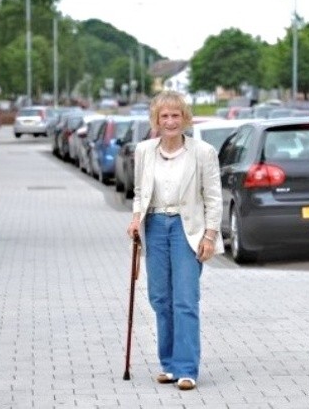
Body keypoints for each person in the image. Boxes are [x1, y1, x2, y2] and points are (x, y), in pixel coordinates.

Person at [127, 92, 222, 393]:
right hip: (154, 226)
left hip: (186, 229)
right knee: (159, 299)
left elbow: (213, 198)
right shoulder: (144, 150)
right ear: (156, 120)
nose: (170, 122)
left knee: (184, 300)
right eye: (164, 116)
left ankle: (186, 368)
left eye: (175, 115)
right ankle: (168, 364)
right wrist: (135, 217)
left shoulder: (203, 152)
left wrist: (210, 235)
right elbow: (140, 191)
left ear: (185, 118)